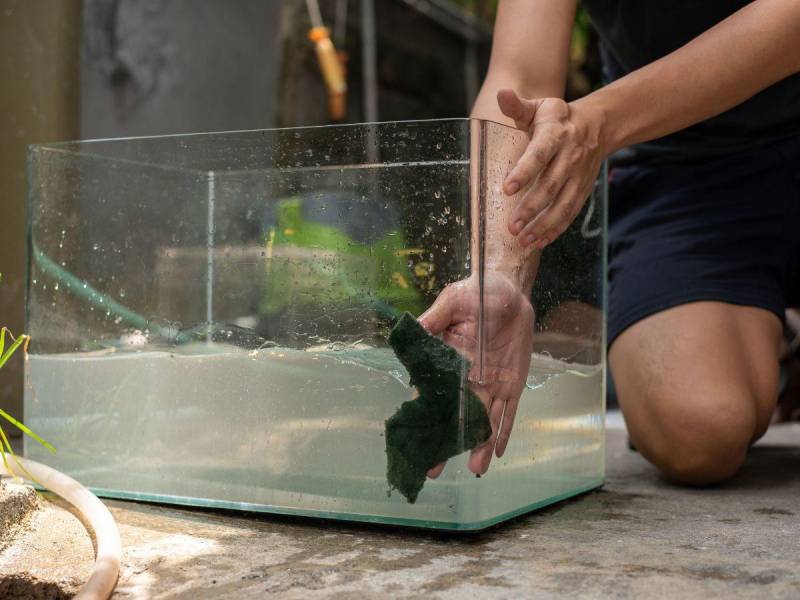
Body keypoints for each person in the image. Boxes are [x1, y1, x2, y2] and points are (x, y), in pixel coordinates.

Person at [419, 0, 800, 485]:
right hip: (687, 166)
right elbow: (519, 80)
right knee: (697, 429)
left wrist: (600, 120)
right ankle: (778, 340)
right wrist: (497, 273)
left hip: (635, 116)